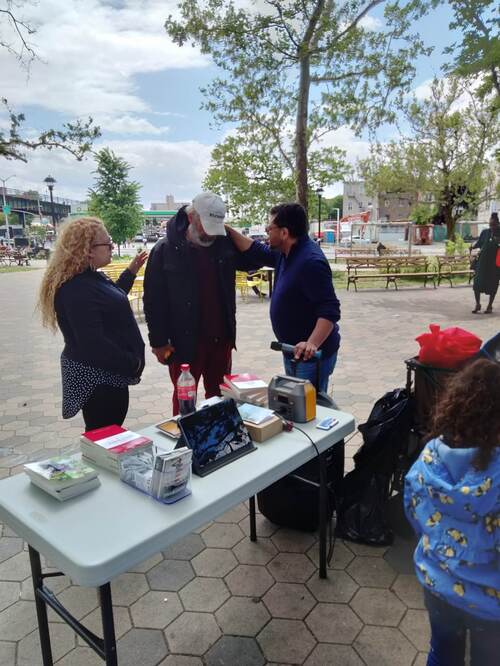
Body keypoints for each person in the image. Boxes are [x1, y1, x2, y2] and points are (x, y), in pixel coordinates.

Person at [404, 359, 500, 666]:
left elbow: (413, 511)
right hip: (490, 602)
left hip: (437, 582)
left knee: (442, 653)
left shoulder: (430, 454)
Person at [143, 192, 261, 415]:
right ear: (191, 217)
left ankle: (218, 434)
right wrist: (158, 342)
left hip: (220, 340)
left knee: (219, 400)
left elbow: (256, 259)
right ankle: (184, 434)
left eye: (216, 227)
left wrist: (229, 231)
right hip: (183, 342)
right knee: (184, 401)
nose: (210, 233)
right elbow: (153, 301)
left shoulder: (224, 244)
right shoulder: (164, 250)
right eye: (207, 226)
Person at [37, 217, 147, 430]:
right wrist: (131, 363)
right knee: (102, 433)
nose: (112, 247)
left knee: (108, 431)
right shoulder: (76, 288)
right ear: (88, 250)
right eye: (108, 243)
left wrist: (130, 272)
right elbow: (93, 343)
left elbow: (111, 301)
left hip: (108, 374)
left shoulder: (90, 277)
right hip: (98, 379)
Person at [225, 202, 341, 393]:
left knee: (310, 406)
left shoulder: (310, 262)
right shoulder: (286, 252)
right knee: (297, 404)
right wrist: (227, 230)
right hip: (293, 351)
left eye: (269, 228)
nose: (266, 232)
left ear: (284, 233)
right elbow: (256, 250)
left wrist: (312, 343)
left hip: (310, 356)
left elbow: (330, 311)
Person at [472, 212, 499, 314]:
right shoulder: (485, 232)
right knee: (477, 283)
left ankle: (489, 306)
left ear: (498, 224)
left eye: (494, 225)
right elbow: (479, 243)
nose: (492, 227)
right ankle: (477, 304)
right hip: (482, 263)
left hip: (494, 265)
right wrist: (472, 246)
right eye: (490, 224)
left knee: (493, 285)